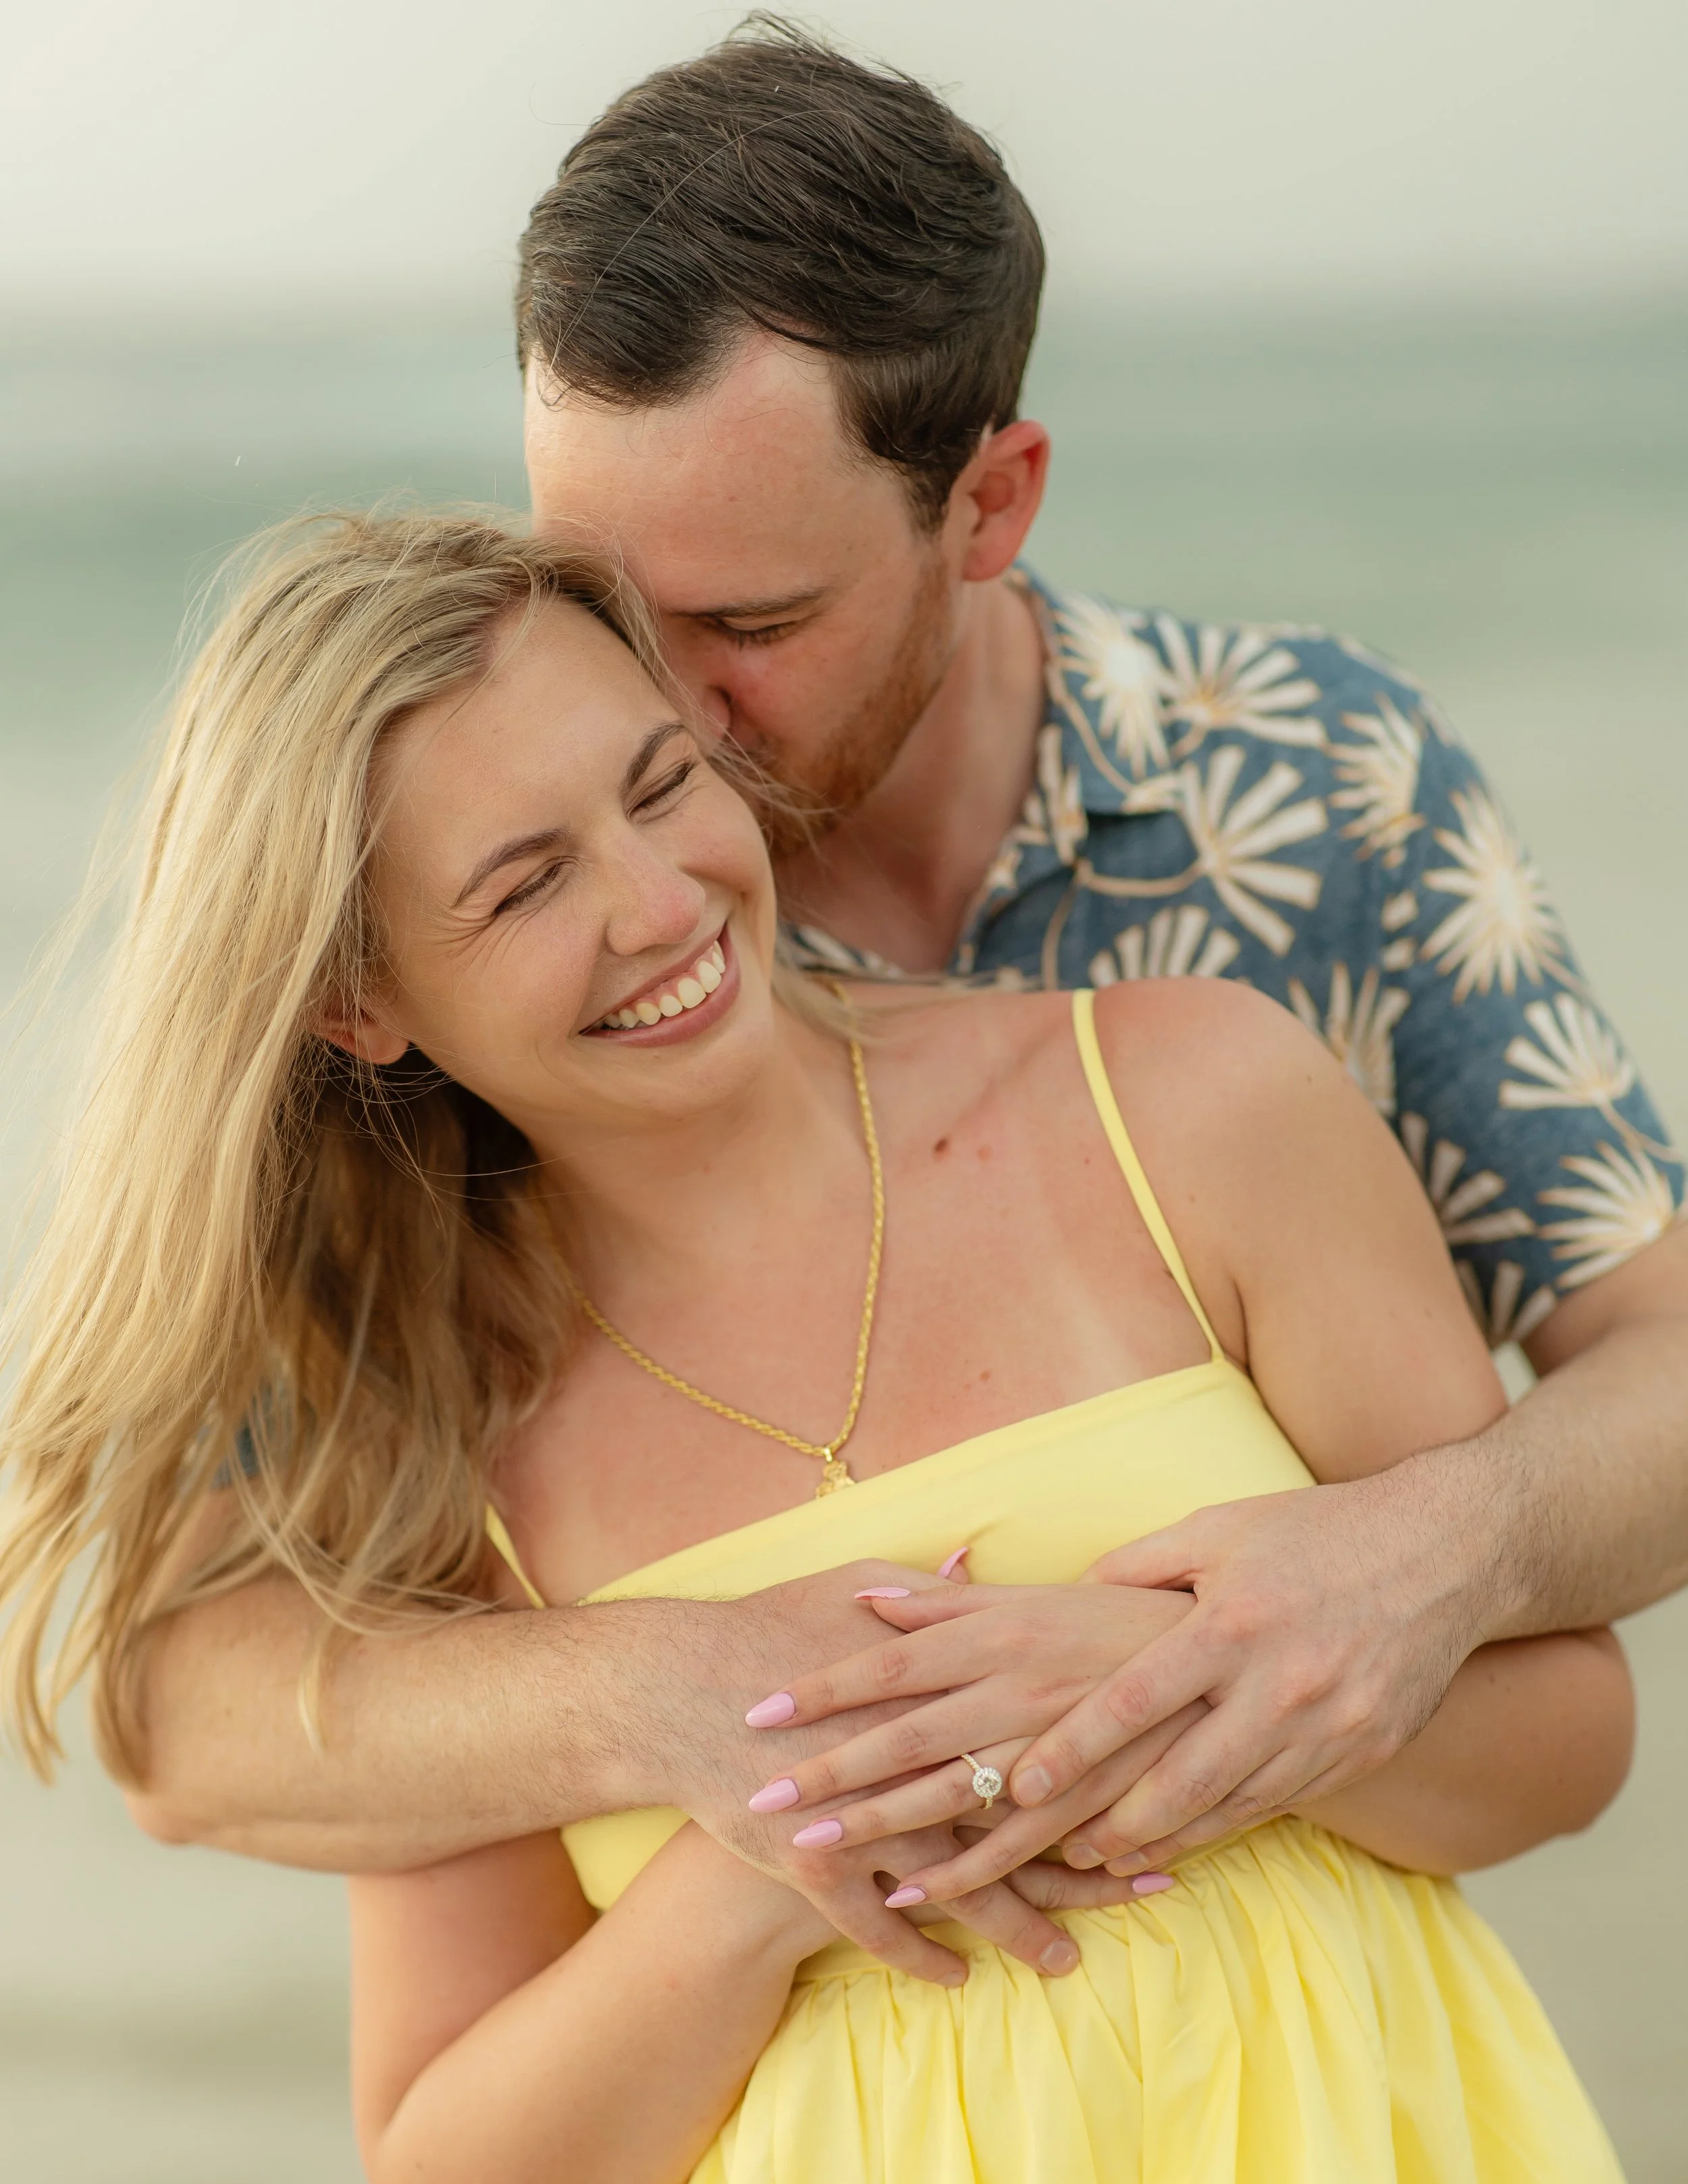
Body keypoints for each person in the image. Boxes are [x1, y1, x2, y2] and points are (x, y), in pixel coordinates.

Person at [5, 506, 1683, 2184]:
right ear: (360, 1005)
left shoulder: (1188, 1105)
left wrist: (1181, 1688)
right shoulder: (427, 1423)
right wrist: (767, 1860)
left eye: (661, 785)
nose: (660, 903)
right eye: (525, 884)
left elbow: (1563, 1743)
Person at [119, 25, 1688, 1955]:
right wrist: (661, 1696)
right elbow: (178, 1706)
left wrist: (1419, 1558)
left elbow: (1663, 1355)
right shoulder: (528, 952)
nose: (660, 707)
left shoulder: (1314, 784)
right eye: (600, 591)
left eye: (751, 622)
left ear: (990, 504)